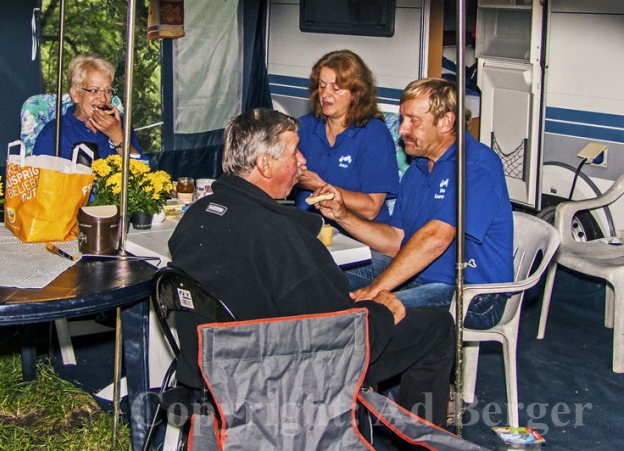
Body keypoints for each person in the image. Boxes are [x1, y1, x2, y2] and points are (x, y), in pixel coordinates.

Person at [169, 108, 454, 425]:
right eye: (294, 151)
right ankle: (419, 438)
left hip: (208, 367)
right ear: (265, 164)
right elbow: (339, 336)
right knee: (438, 326)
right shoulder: (280, 238)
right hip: (281, 377)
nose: (303, 160)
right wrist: (384, 312)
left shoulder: (196, 216)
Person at [316, 78, 514, 330]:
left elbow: (436, 238)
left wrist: (375, 289)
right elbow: (396, 241)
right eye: (402, 119)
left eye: (413, 121)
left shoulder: (475, 166)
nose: (401, 130)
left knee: (372, 313)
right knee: (319, 270)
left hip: (473, 294)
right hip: (421, 276)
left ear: (446, 122)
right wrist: (342, 214)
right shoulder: (419, 167)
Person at [296, 50, 399, 223]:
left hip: (355, 235)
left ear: (356, 93)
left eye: (336, 88)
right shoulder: (304, 127)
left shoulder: (373, 134)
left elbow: (372, 208)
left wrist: (320, 186)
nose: (325, 94)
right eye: (322, 86)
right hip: (308, 228)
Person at [33, 54, 143, 159]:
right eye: (94, 90)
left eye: (108, 90)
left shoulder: (120, 125)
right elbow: (41, 176)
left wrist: (118, 137)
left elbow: (142, 173)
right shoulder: (54, 132)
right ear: (75, 94)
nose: (104, 98)